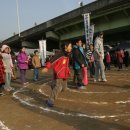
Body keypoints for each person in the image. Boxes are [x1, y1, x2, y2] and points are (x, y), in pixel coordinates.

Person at [42, 41, 72, 107]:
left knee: (64, 88)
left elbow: (66, 64)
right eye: (70, 46)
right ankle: (50, 100)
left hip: (64, 74)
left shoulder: (67, 54)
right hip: (58, 73)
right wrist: (47, 68)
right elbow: (52, 61)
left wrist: (68, 71)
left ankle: (53, 85)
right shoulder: (60, 54)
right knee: (58, 87)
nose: (71, 48)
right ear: (65, 47)